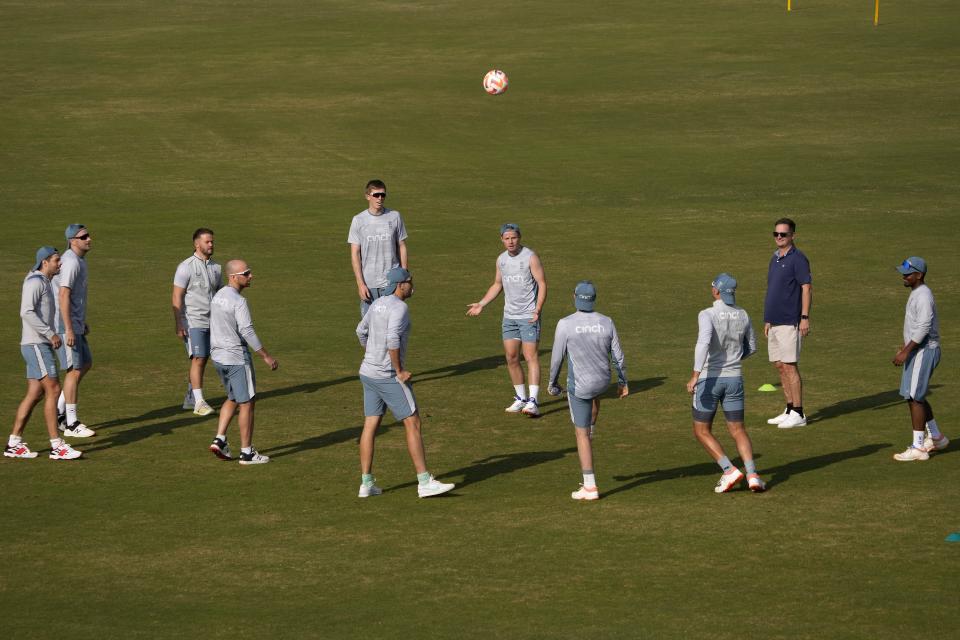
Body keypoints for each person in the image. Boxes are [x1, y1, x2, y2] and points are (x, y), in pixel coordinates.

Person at [355, 267, 455, 498]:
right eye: (410, 281)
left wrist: (371, 353)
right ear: (401, 285)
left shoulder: (377, 304)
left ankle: (366, 483)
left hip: (367, 372)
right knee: (413, 423)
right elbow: (392, 338)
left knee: (370, 425)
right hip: (387, 376)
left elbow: (360, 330)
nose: (412, 285)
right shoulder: (400, 308)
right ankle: (424, 481)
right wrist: (398, 370)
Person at [547, 281, 628, 501]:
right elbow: (618, 355)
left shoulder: (565, 324)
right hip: (603, 382)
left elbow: (557, 358)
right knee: (594, 397)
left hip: (581, 386)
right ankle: (591, 430)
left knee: (580, 433)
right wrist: (623, 382)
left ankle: (590, 486)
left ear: (574, 297)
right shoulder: (607, 321)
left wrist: (552, 384)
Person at [687, 274, 766, 493]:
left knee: (701, 430)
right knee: (738, 430)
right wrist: (733, 361)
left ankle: (729, 470)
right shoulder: (743, 314)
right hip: (734, 379)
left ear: (716, 291)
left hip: (709, 381)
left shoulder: (707, 314)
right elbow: (751, 347)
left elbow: (703, 343)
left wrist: (695, 375)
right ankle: (752, 475)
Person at [5, 247, 82, 460]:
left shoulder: (43, 282)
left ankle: (14, 443)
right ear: (44, 262)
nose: (60, 263)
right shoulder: (35, 282)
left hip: (38, 344)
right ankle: (57, 446)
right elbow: (26, 312)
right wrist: (50, 334)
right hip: (37, 344)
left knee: (35, 393)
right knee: (54, 388)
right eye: (57, 260)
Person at [466, 223, 548, 417]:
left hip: (529, 316)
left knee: (530, 357)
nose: (510, 241)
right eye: (507, 238)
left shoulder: (530, 257)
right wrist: (482, 303)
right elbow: (497, 284)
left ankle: (533, 401)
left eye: (514, 237)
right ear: (502, 240)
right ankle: (520, 398)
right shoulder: (501, 260)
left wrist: (538, 309)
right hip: (509, 316)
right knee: (511, 358)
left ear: (519, 238)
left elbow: (542, 283)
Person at [208, 260, 278, 465]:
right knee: (247, 402)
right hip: (237, 358)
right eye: (246, 273)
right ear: (233, 277)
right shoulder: (239, 302)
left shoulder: (218, 296)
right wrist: (266, 355)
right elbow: (247, 331)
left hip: (219, 357)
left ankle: (220, 438)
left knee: (232, 397)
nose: (250, 276)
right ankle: (247, 452)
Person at [892, 257, 949, 461]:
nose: (904, 277)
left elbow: (924, 327)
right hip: (918, 350)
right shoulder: (917, 293)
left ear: (920, 275)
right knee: (915, 395)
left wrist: (906, 351)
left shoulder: (923, 295)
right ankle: (936, 437)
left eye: (908, 274)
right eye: (903, 273)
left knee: (915, 397)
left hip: (923, 351)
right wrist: (907, 347)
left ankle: (917, 448)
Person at [763, 218, 812, 429]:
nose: (779, 238)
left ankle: (799, 413)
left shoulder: (798, 259)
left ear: (792, 236)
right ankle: (790, 408)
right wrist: (768, 319)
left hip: (790, 321)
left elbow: (806, 288)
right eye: (776, 234)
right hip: (774, 322)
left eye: (783, 234)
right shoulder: (774, 259)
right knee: (780, 366)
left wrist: (804, 317)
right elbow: (772, 290)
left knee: (790, 367)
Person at [172, 228, 222, 416]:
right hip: (193, 321)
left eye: (212, 242)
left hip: (212, 321)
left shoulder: (216, 267)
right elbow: (177, 296)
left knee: (202, 358)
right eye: (207, 242)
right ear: (197, 244)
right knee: (198, 358)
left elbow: (219, 293)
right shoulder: (185, 267)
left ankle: (190, 398)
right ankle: (199, 402)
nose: (211, 245)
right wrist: (179, 323)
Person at [52, 224, 96, 438]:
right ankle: (71, 423)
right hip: (64, 325)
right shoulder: (70, 262)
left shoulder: (79, 261)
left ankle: (60, 412)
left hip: (74, 323)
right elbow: (63, 295)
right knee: (74, 370)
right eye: (84, 236)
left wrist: (80, 322)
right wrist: (69, 328)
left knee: (85, 363)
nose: (89, 239)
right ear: (72, 240)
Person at [348, 179, 408, 316]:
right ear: (367, 196)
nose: (380, 198)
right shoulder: (358, 220)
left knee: (392, 327)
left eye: (383, 195)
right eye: (376, 195)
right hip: (370, 285)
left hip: (392, 284)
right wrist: (360, 284)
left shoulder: (395, 217)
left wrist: (404, 275)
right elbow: (355, 254)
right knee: (369, 329)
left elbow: (402, 246)